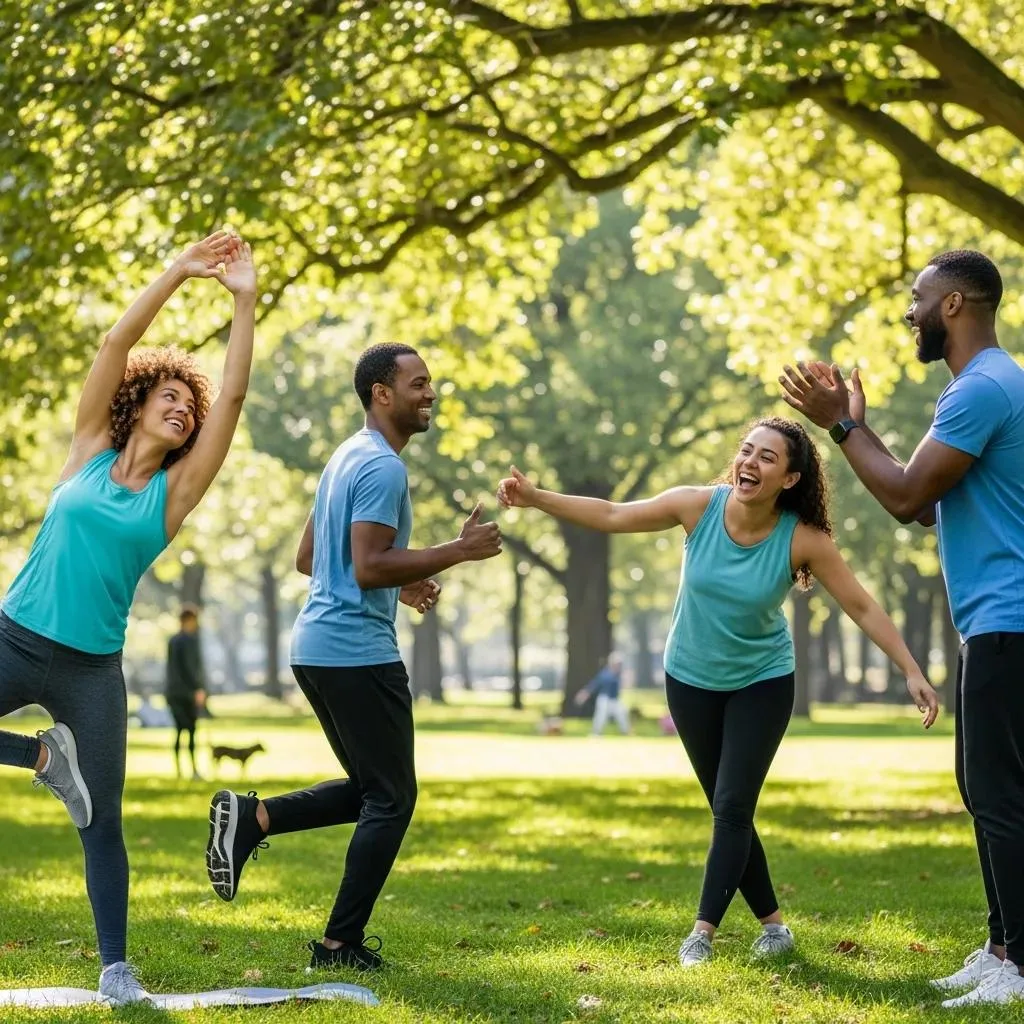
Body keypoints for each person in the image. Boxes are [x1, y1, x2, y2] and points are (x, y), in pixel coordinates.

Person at [497, 416, 938, 967]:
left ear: (791, 479)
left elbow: (863, 606)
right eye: (747, 451)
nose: (749, 462)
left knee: (731, 808)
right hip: (690, 680)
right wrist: (537, 498)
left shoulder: (803, 539)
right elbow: (612, 515)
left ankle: (700, 934)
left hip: (762, 682)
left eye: (767, 457)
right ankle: (774, 926)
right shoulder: (697, 506)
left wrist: (911, 669)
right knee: (730, 810)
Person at [0, 231, 257, 1005]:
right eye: (169, 397)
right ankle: (44, 761)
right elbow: (118, 340)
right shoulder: (85, 449)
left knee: (101, 823)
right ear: (139, 404)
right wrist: (179, 271)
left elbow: (235, 396)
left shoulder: (171, 497)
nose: (182, 408)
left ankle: (115, 968)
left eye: (189, 406)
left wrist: (243, 300)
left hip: (89, 671)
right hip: (12, 637)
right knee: (74, 786)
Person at [205, 342, 503, 972]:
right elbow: (365, 566)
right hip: (356, 653)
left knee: (376, 790)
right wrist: (457, 549)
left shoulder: (346, 456)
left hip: (315, 648)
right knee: (392, 799)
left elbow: (313, 560)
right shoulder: (383, 469)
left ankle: (252, 818)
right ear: (381, 393)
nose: (430, 393)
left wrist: (404, 578)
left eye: (430, 382)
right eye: (418, 383)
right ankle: (338, 944)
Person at [779, 249, 1024, 1008]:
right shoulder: (983, 387)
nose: (908, 312)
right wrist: (859, 427)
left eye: (918, 299)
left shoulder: (981, 389)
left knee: (1001, 793)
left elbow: (903, 496)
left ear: (954, 305)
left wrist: (842, 425)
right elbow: (919, 502)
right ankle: (1000, 946)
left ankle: (1019, 965)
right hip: (992, 618)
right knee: (982, 787)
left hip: (1010, 617)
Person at [165, 604, 207, 780]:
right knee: (190, 731)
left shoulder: (173, 640)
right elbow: (190, 668)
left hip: (172, 693)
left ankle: (179, 770)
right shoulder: (189, 641)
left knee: (179, 731)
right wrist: (198, 688)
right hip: (187, 693)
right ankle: (193, 769)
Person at [575, 653, 630, 735]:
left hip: (614, 699)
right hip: (604, 699)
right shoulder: (605, 674)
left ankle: (625, 731)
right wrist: (584, 694)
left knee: (622, 712)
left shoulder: (618, 675)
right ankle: (596, 732)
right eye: (617, 664)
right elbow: (594, 685)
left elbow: (623, 686)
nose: (619, 666)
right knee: (601, 716)